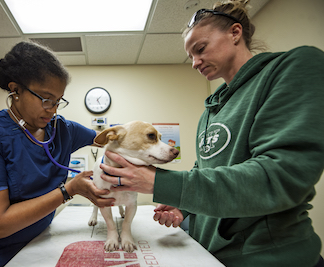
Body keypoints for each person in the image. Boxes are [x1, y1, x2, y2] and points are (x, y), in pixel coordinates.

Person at [99, 0, 324, 266]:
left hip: (267, 256)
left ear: (235, 33)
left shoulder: (291, 68)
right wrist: (184, 206)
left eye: (200, 49)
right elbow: (206, 169)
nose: (194, 62)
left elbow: (282, 177)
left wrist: (161, 183)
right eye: (190, 55)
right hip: (207, 252)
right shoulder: (212, 108)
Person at [0, 41, 114, 266]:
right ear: (16, 90)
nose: (52, 109)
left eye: (57, 101)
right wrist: (69, 189)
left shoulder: (62, 129)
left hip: (37, 244)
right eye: (45, 99)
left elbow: (106, 139)